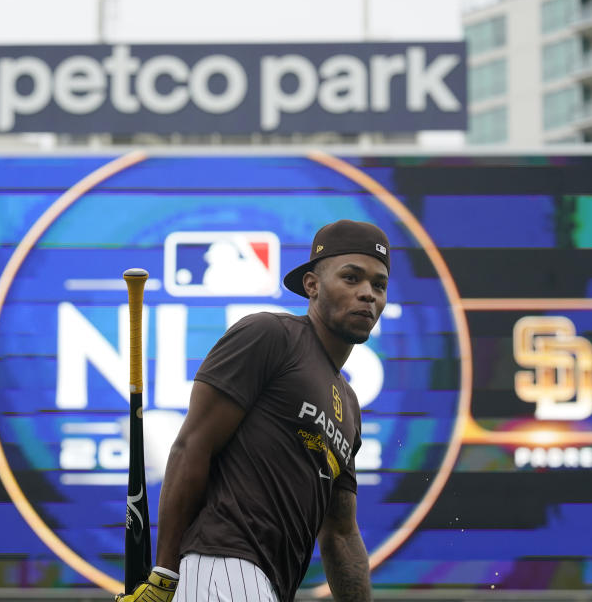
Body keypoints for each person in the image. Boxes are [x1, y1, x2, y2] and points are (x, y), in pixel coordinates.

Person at [117, 219, 388, 602]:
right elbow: (192, 446)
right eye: (351, 278)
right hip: (221, 562)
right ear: (311, 285)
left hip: (270, 585)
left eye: (379, 285)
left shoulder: (350, 408)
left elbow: (341, 532)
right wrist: (164, 574)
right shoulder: (269, 335)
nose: (367, 294)